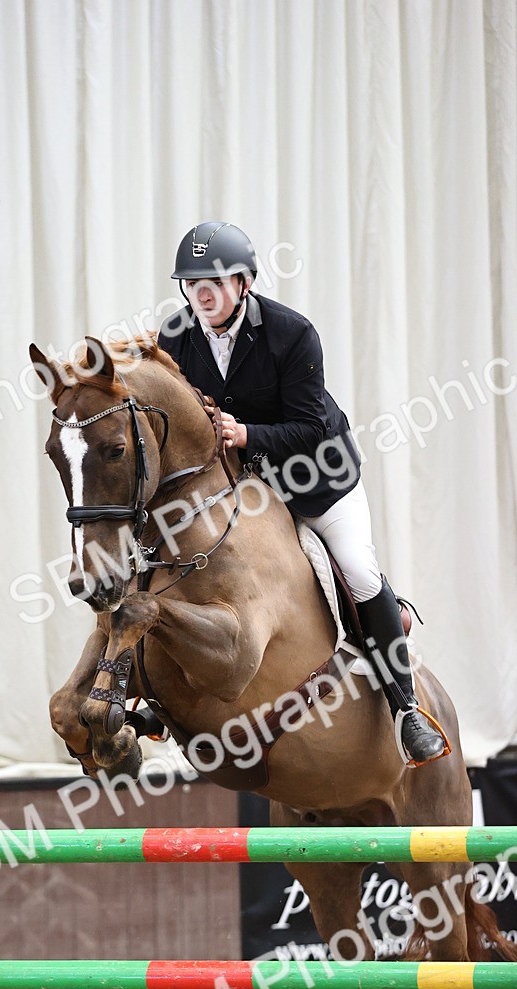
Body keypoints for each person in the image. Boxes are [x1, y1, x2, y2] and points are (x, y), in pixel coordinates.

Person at [156, 220, 446, 765]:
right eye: (193, 284)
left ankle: (406, 709)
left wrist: (245, 433)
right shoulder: (175, 337)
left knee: (357, 570)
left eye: (215, 282)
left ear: (244, 283)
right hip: (248, 492)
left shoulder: (291, 333)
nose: (203, 294)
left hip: (318, 480)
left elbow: (311, 427)